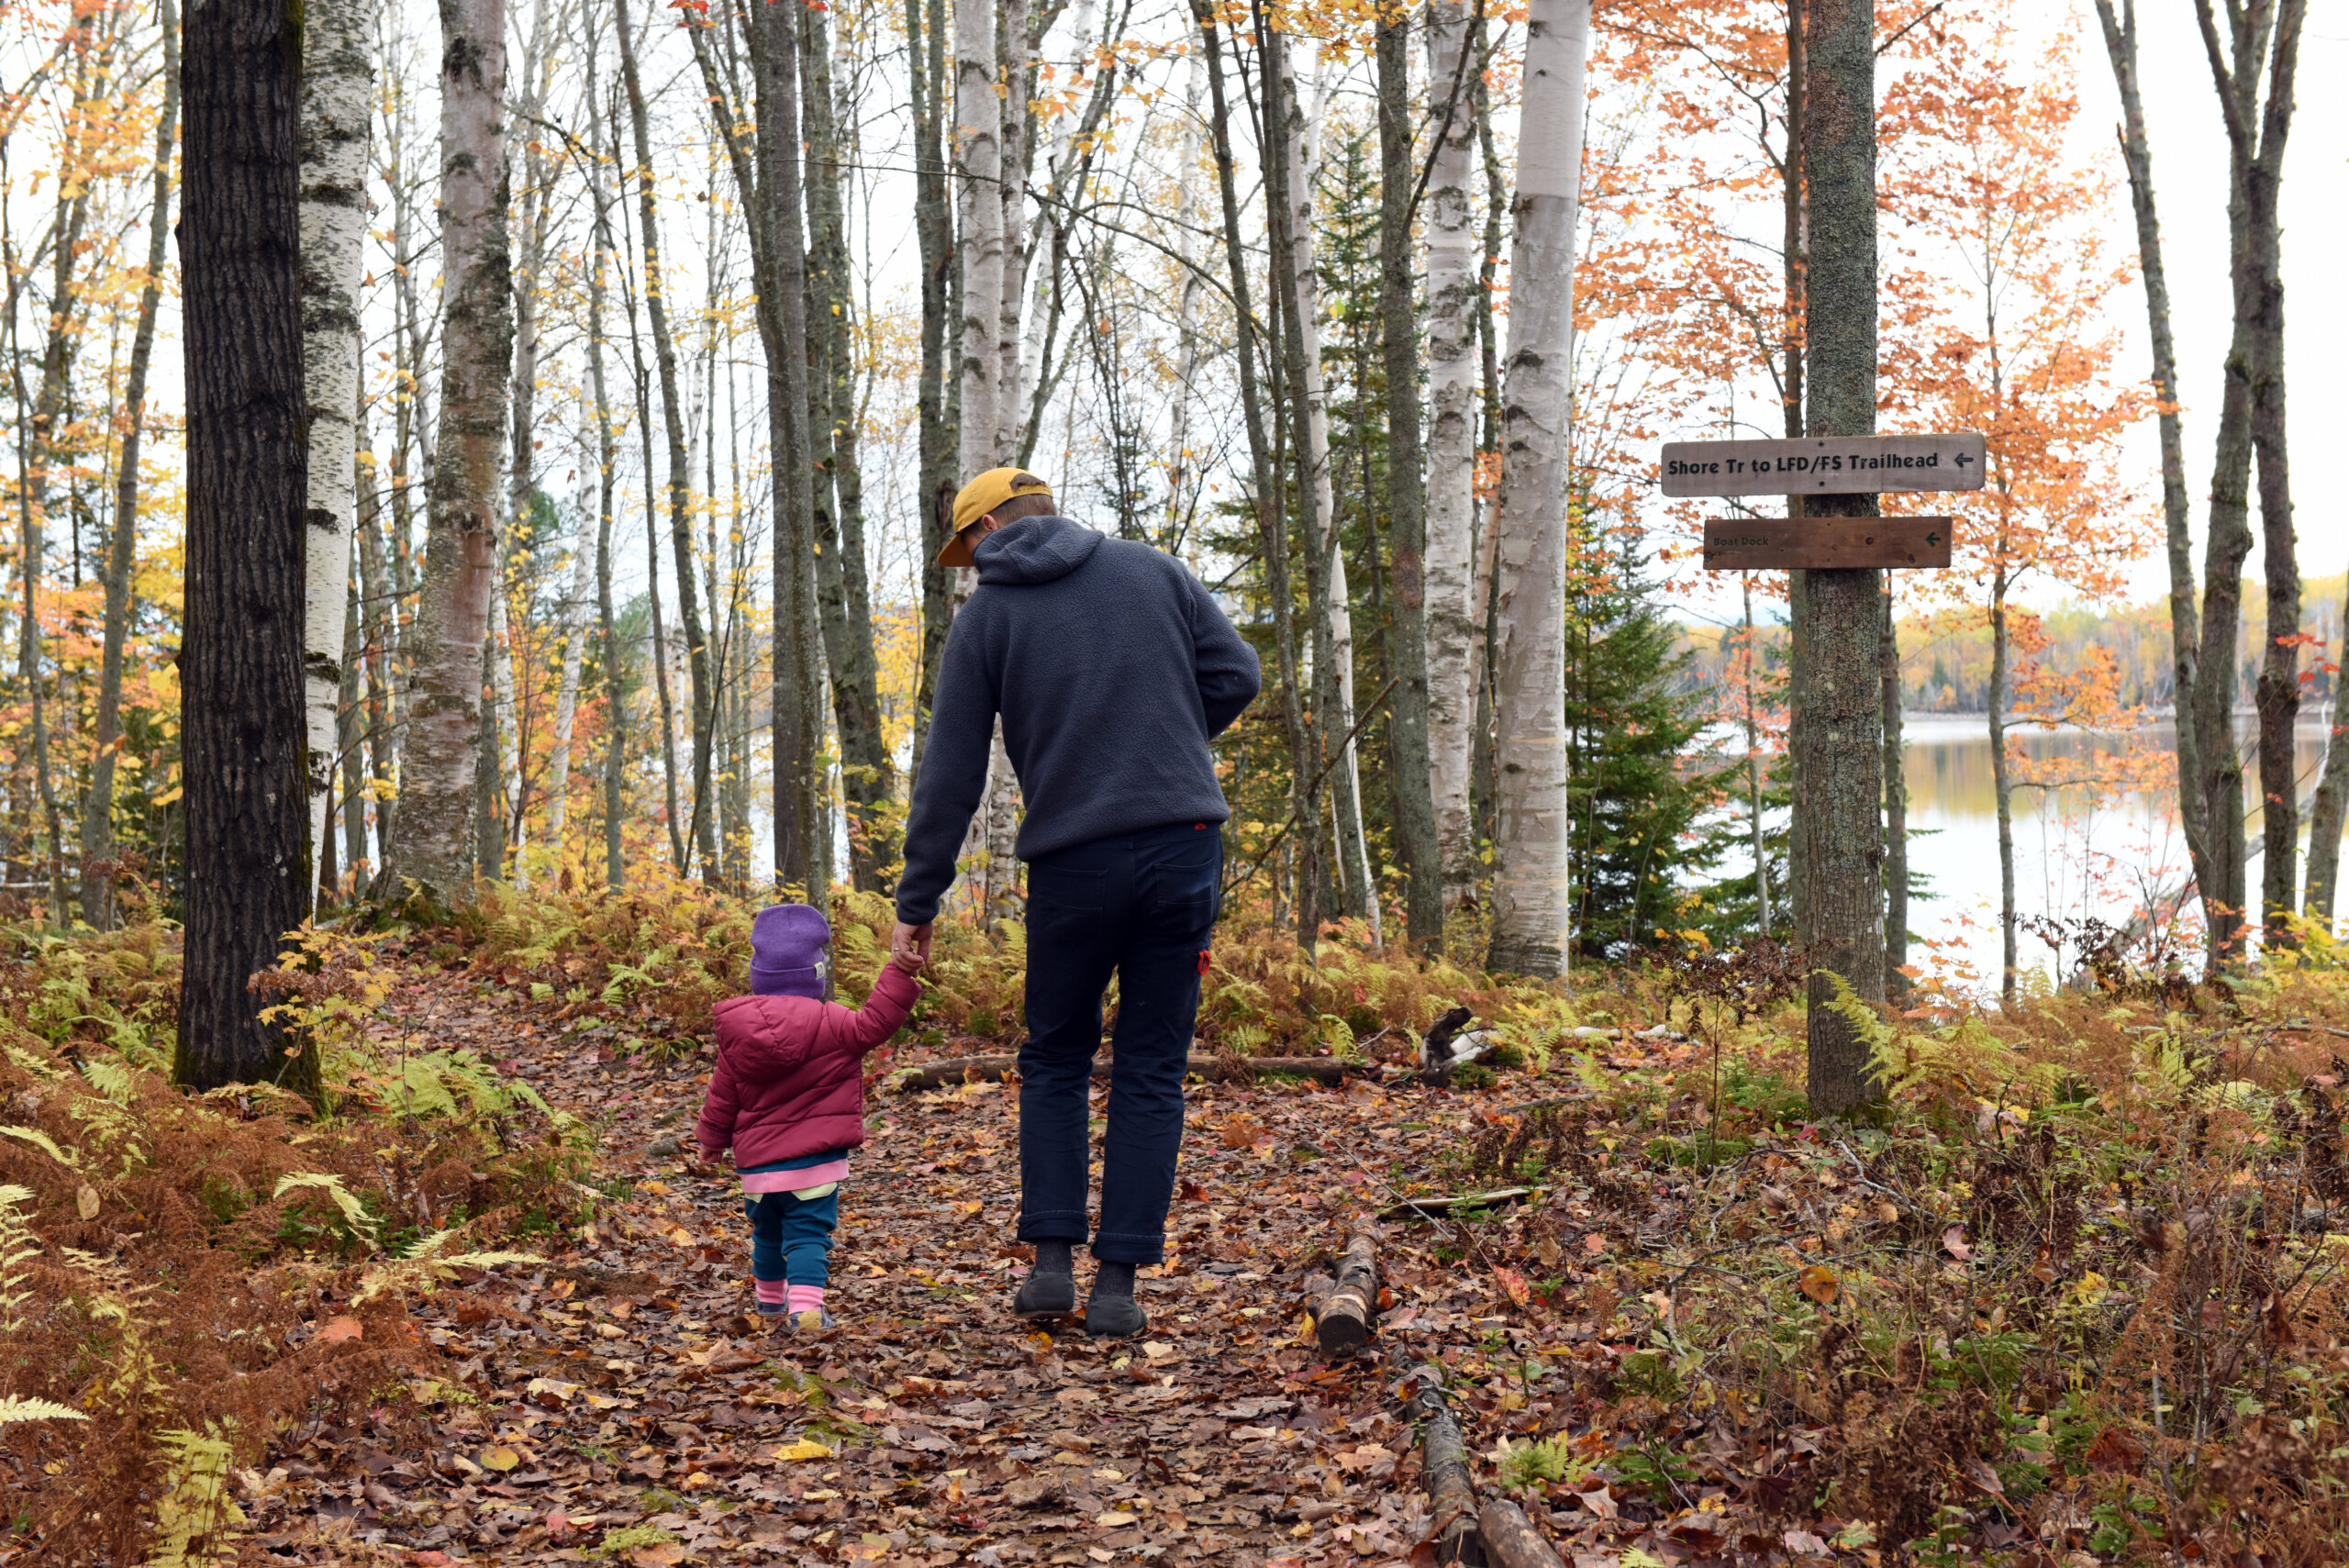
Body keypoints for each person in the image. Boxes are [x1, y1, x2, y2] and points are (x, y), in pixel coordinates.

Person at [891, 468, 1260, 1337]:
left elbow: (951, 773)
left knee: (1056, 1057)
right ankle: (1119, 1284)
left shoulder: (990, 614)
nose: (970, 567)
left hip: (1074, 861)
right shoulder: (1153, 569)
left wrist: (920, 898)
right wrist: (1164, 740)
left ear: (985, 533)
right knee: (1152, 1064)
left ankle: (1052, 1266)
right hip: (1185, 847)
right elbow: (1237, 674)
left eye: (966, 551)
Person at [697, 903, 925, 1331]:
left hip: (757, 1167)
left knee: (766, 1235)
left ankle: (768, 1305)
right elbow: (878, 1021)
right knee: (806, 1235)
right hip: (814, 1165)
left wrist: (711, 1140)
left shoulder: (738, 1034)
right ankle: (804, 1310)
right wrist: (899, 970)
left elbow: (722, 1092)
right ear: (817, 974)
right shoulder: (834, 1022)